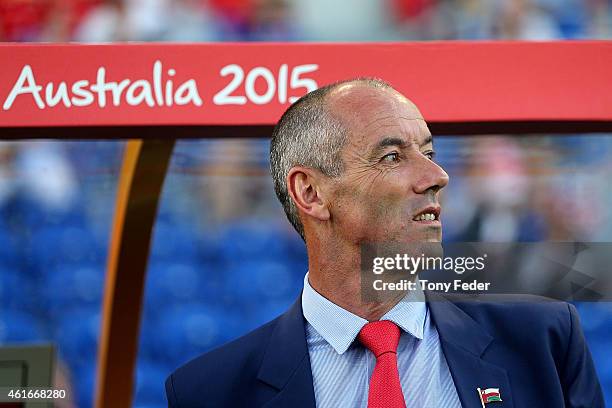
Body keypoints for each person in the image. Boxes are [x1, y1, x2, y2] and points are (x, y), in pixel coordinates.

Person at [165, 78, 604, 407]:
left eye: (428, 154)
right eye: (392, 157)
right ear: (311, 193)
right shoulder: (211, 391)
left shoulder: (545, 340)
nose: (437, 177)